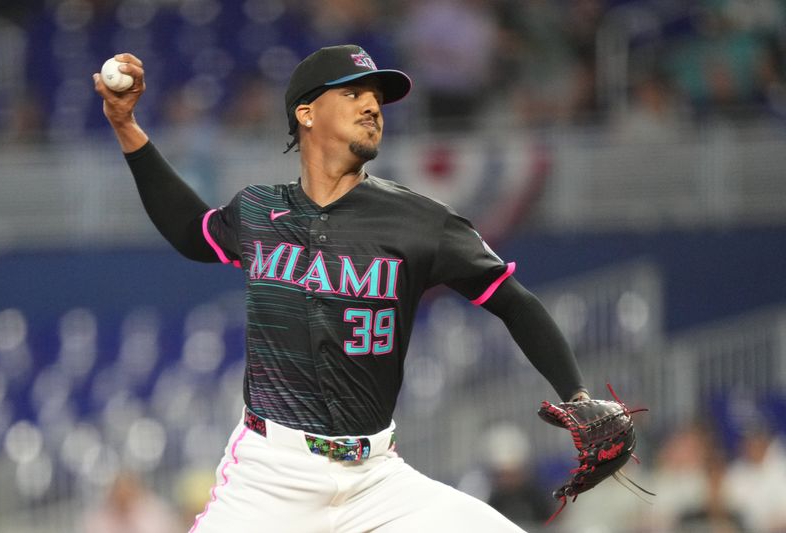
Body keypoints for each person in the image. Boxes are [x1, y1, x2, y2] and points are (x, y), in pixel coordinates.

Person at [93, 44, 590, 533]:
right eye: (353, 93)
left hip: (377, 479)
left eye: (377, 97)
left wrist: (577, 395)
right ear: (306, 113)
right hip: (270, 476)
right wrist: (126, 125)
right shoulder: (259, 211)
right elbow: (191, 233)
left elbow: (514, 302)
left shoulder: (421, 221)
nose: (372, 106)